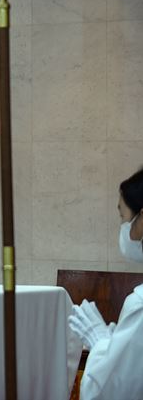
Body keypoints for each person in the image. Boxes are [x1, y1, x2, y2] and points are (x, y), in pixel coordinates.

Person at [68, 166, 143, 400]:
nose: (124, 229)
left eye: (124, 218)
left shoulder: (140, 305)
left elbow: (108, 393)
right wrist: (116, 346)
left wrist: (99, 341)